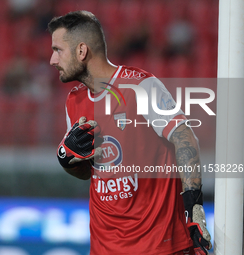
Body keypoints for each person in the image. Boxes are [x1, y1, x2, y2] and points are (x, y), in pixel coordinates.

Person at [48, 11, 211, 255]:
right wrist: (67, 160)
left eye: (58, 50)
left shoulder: (140, 86)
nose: (52, 60)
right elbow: (87, 172)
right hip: (104, 248)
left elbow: (185, 138)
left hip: (159, 246)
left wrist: (194, 207)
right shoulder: (74, 101)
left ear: (82, 51)